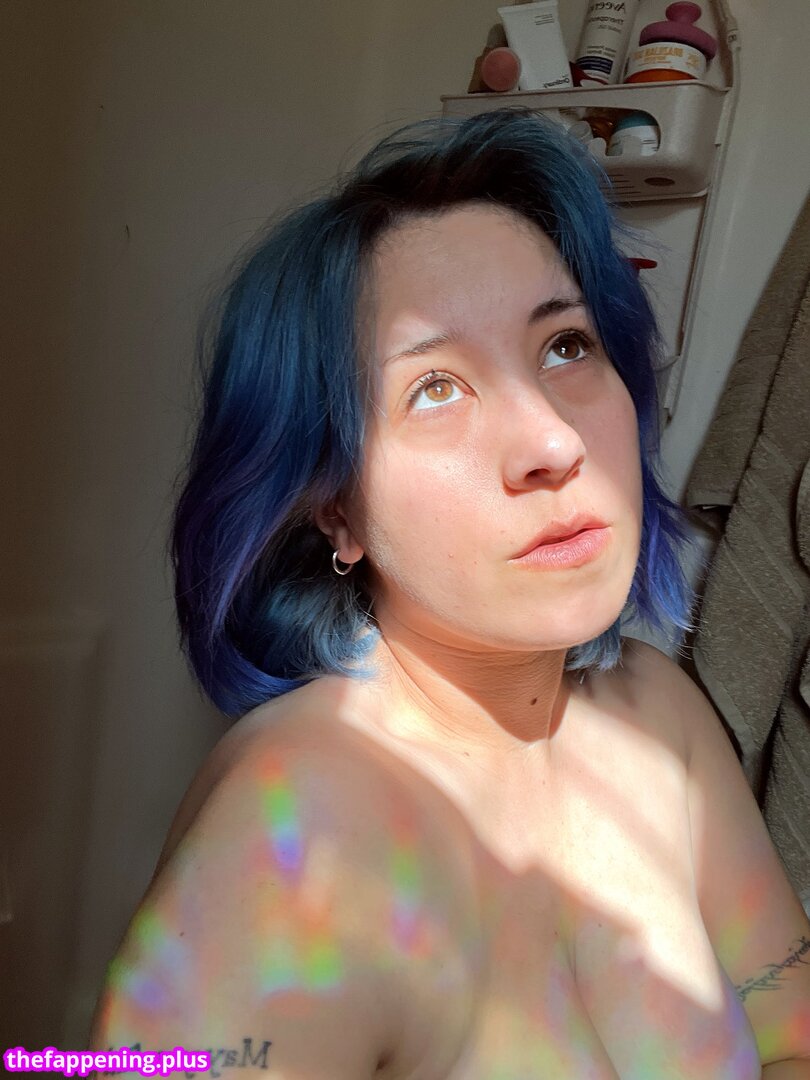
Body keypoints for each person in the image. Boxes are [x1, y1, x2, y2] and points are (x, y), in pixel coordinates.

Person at [90, 109, 810, 1077]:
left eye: (565, 346)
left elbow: (794, 1032)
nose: (554, 441)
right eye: (436, 387)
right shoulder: (291, 843)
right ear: (333, 510)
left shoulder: (659, 712)